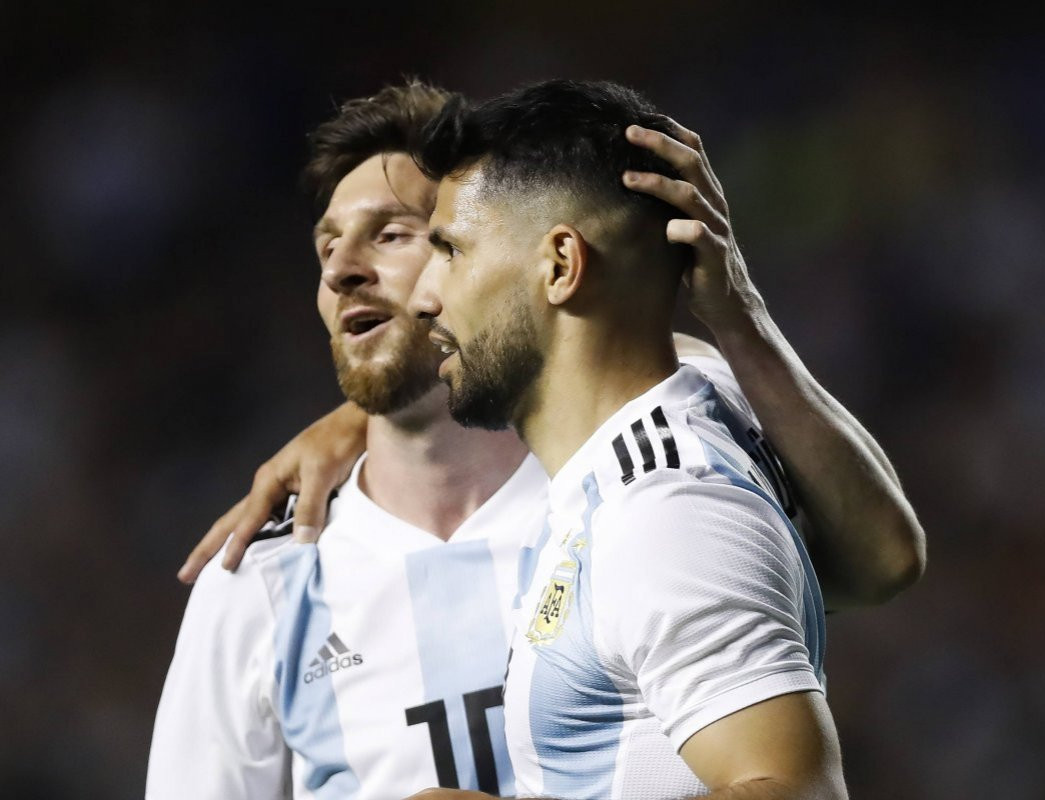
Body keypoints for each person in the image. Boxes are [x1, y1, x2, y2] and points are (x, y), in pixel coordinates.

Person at [150, 81, 923, 799]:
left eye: (413, 239)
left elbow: (875, 574)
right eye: (325, 250)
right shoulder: (270, 572)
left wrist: (735, 310)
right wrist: (364, 417)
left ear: (553, 261)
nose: (349, 272)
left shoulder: (656, 490)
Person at [399, 79, 871, 799]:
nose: (423, 295)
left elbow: (796, 792)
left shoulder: (663, 513)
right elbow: (886, 559)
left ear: (560, 266)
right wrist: (737, 314)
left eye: (452, 251)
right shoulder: (707, 390)